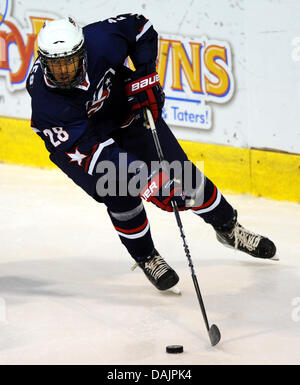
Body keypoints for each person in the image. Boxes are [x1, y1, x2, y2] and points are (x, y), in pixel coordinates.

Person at [26, 14, 277, 292]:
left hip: (124, 112)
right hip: (84, 148)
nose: (62, 71)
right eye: (55, 64)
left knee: (184, 176)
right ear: (43, 59)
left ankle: (229, 228)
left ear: (82, 52)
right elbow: (99, 156)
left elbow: (140, 27)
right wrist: (151, 183)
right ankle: (146, 256)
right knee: (119, 193)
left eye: (69, 62)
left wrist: (145, 76)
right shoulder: (47, 104)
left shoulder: (101, 40)